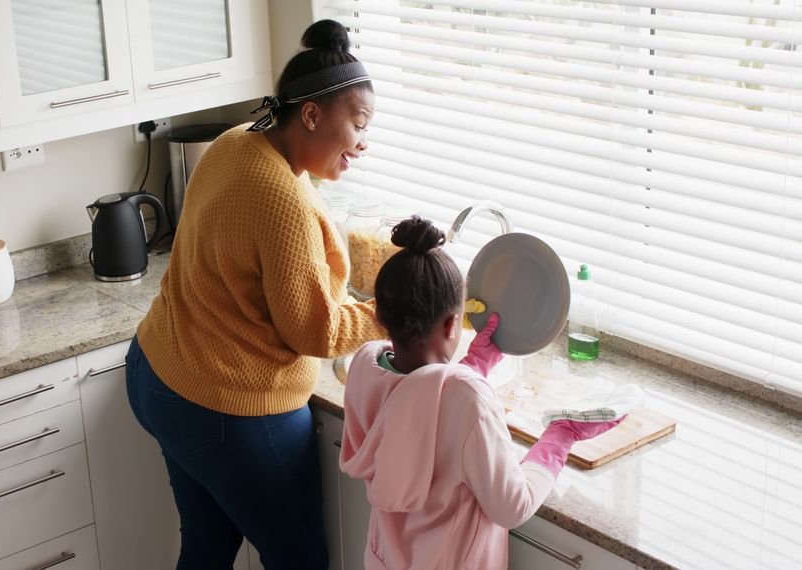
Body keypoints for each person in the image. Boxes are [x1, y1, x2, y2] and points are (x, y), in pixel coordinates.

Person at [125, 19, 385, 570]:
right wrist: (389, 315)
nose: (364, 142)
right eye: (358, 125)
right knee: (299, 562)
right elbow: (313, 331)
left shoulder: (233, 142)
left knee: (206, 547)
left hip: (159, 373)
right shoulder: (281, 200)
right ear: (311, 115)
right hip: (227, 408)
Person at [339, 216, 623, 570]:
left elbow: (415, 401)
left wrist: (475, 363)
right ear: (452, 323)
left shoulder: (367, 367)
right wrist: (559, 439)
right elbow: (512, 506)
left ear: (381, 316)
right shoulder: (466, 398)